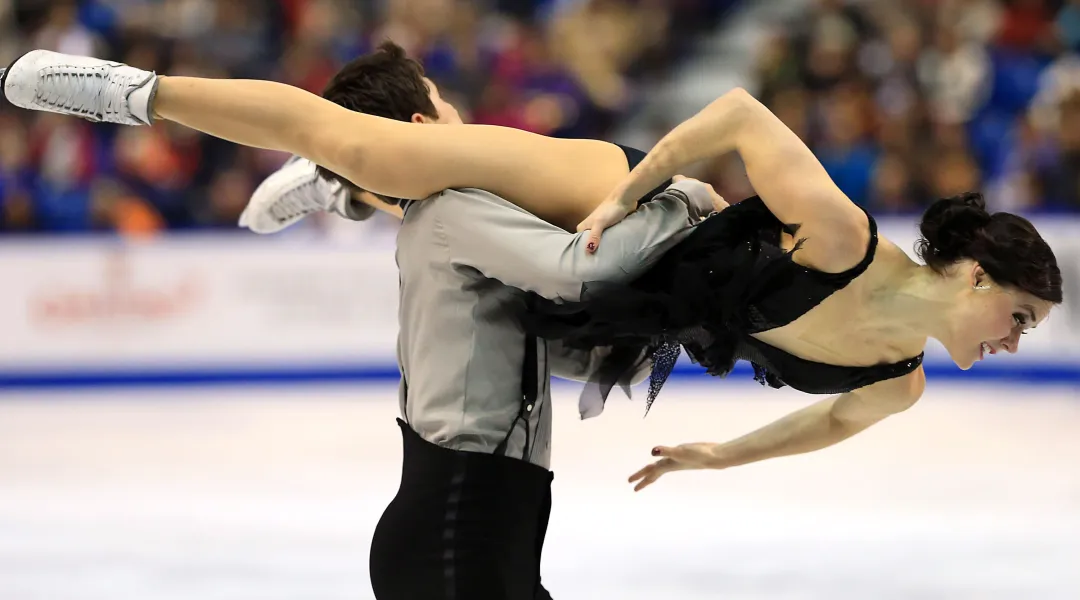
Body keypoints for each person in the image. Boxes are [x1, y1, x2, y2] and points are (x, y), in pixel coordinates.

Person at [2, 46, 1061, 507]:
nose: (1015, 342)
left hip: (622, 306)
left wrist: (716, 458)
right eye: (1017, 316)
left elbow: (827, 425)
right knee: (383, 148)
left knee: (436, 210)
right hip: (625, 205)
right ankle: (128, 93)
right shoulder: (838, 235)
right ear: (973, 277)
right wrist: (622, 190)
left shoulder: (899, 382)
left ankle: (343, 195)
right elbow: (737, 112)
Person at [0, 46, 722, 600]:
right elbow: (575, 269)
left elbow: (538, 337)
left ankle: (339, 187)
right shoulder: (454, 207)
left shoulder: (456, 217)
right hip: (457, 530)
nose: (458, 111)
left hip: (473, 527)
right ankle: (152, 104)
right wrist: (680, 200)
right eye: (443, 102)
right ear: (419, 125)